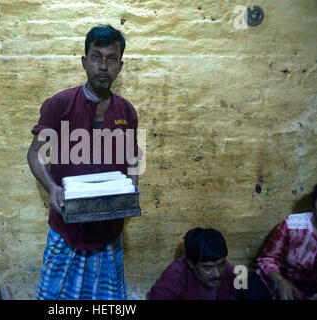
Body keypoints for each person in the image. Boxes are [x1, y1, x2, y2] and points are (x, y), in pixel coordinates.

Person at [27, 24, 141, 299]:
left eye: (111, 58)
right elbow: (35, 154)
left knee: (107, 300)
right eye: (96, 57)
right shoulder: (60, 104)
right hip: (66, 227)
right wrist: (53, 189)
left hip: (109, 229)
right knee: (55, 298)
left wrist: (131, 191)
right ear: (84, 61)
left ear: (120, 65)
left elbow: (133, 159)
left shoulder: (126, 111)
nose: (103, 66)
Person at [246, 184, 317, 300]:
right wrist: (280, 281)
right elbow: (268, 259)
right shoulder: (294, 225)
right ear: (314, 203)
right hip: (273, 284)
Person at [149, 228, 237, 300]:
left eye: (221, 265)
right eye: (208, 267)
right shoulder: (175, 275)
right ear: (191, 263)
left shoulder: (229, 274)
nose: (217, 274)